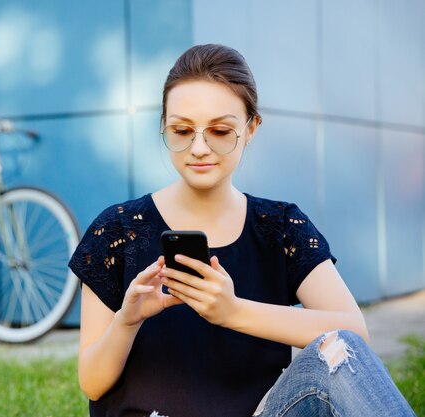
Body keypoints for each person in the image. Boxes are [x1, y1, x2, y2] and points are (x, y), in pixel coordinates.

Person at [68, 44, 415, 417]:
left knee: (337, 350)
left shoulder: (279, 227)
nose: (198, 148)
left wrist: (232, 311)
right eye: (182, 130)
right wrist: (128, 320)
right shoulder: (118, 230)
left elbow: (352, 335)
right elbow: (92, 382)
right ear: (163, 127)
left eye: (220, 131)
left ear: (251, 129)